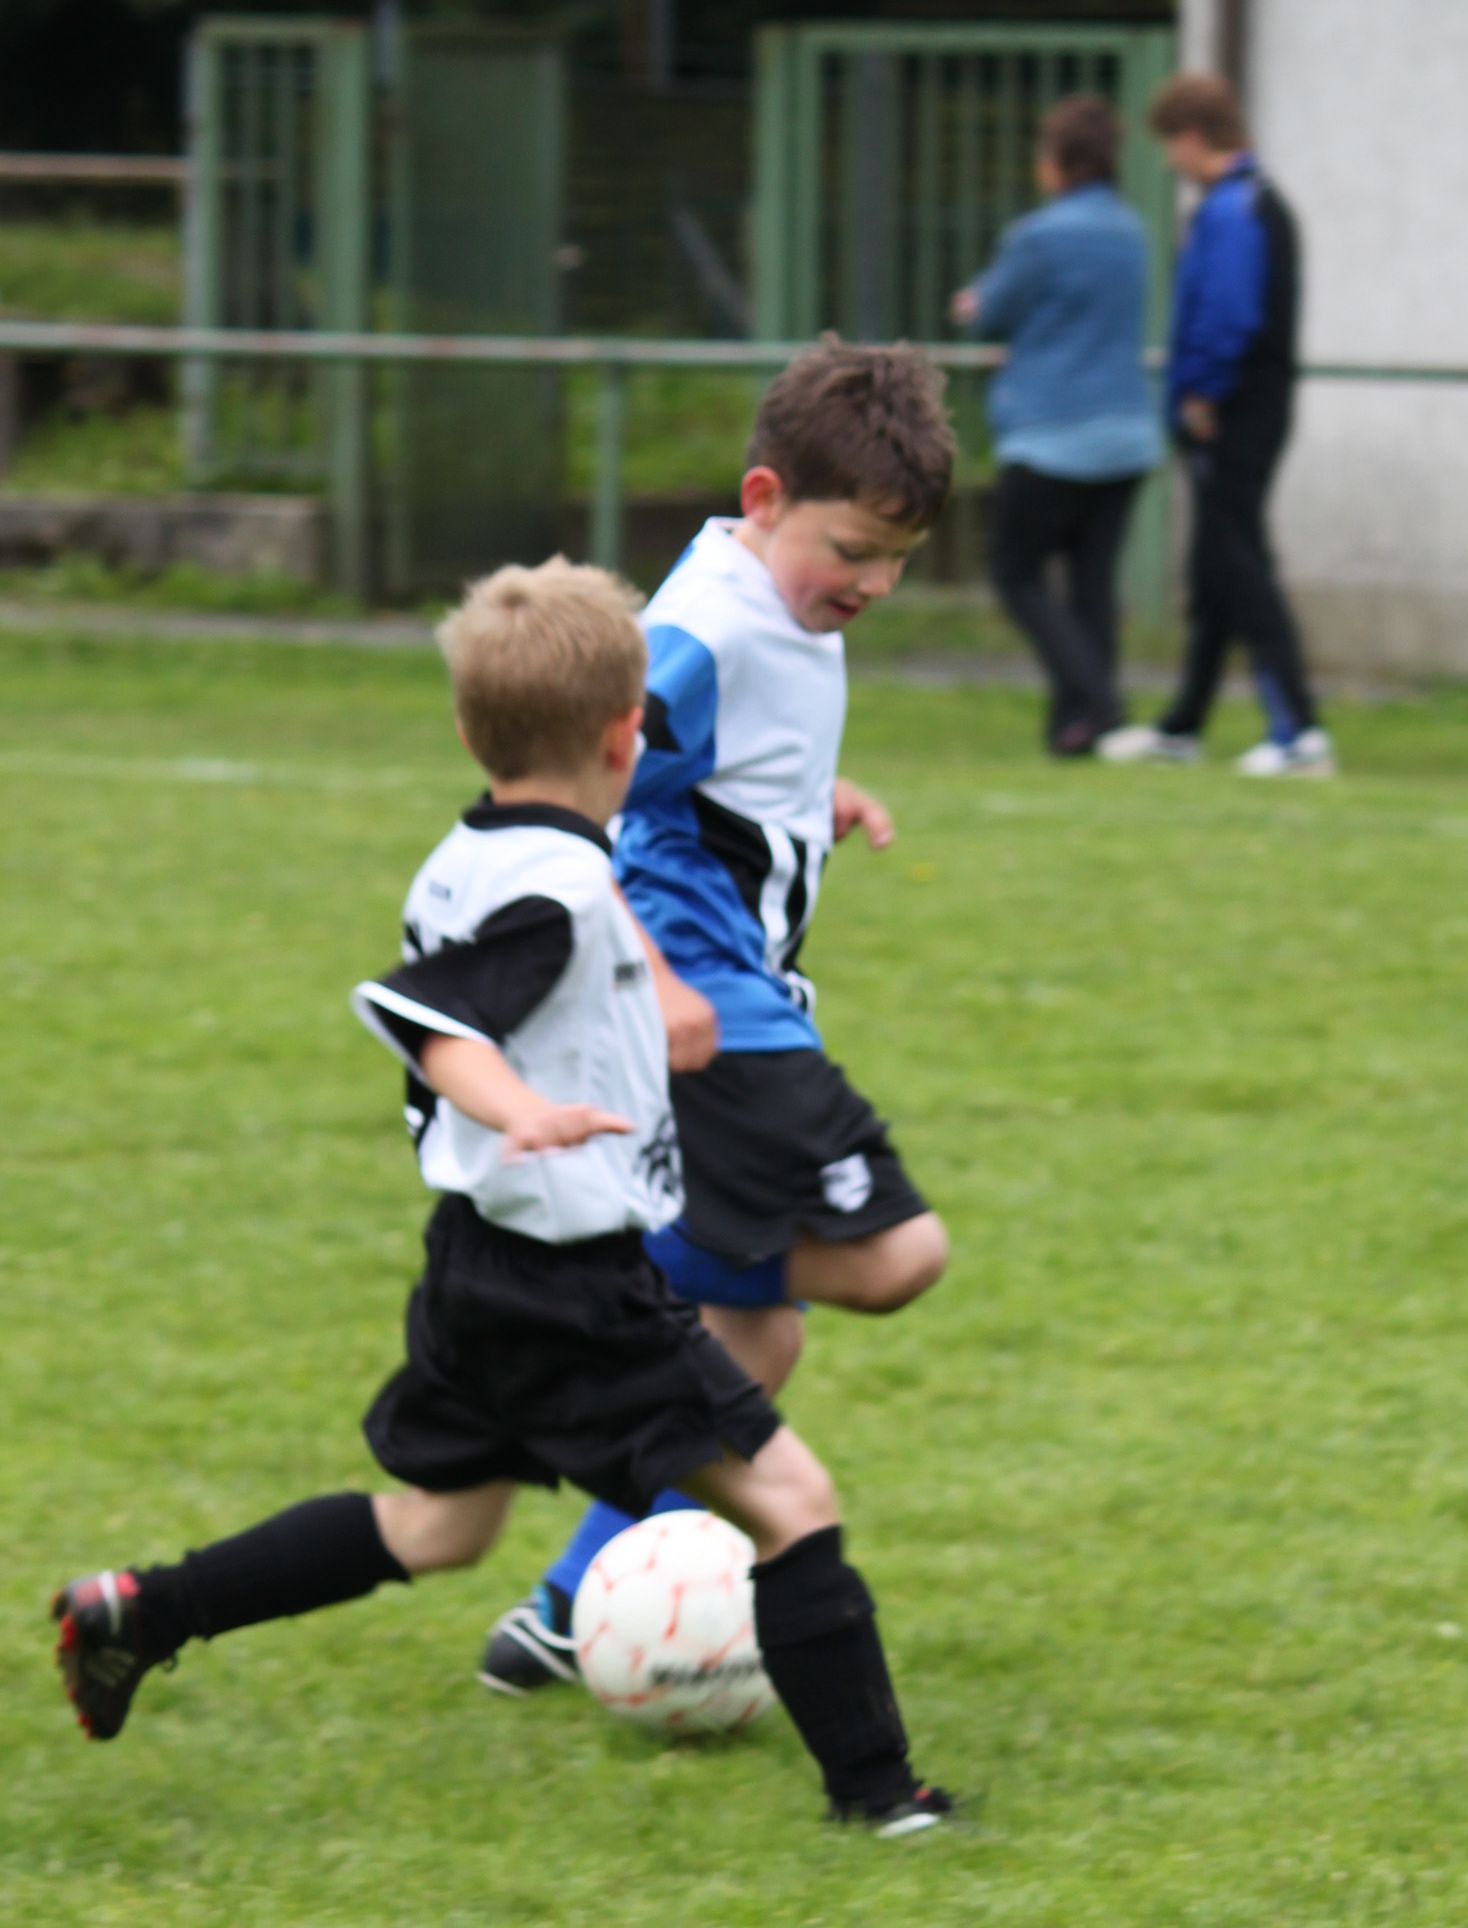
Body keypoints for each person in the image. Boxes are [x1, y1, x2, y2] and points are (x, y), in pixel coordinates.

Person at [50, 557, 954, 1836]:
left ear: (472, 731)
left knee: (436, 1526)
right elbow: (434, 1016)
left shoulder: (473, 853)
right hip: (576, 1280)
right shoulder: (562, 889)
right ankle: (879, 1798)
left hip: (476, 1260)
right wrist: (516, 1104)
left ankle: (142, 1608)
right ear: (626, 735)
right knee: (791, 1505)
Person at [478, 341, 956, 1700]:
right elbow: (571, 809)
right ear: (764, 497)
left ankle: (561, 1611)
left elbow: (708, 776)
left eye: (898, 561)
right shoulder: (703, 631)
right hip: (715, 1015)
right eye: (853, 550)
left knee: (760, 1340)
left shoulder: (772, 607)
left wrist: (807, 802)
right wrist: (664, 977)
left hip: (736, 1004)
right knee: (896, 1255)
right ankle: (611, 1290)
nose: (871, 584)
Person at [1099, 72, 1334, 777]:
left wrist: (1201, 394)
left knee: (1242, 564)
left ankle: (1299, 731)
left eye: (1170, 144)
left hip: (1231, 413)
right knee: (1215, 570)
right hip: (1250, 407)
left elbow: (1228, 314)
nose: (1169, 161)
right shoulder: (1257, 202)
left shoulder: (1232, 209)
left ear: (1194, 137)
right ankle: (1184, 726)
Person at [952, 95, 1161, 757]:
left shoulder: (1038, 237)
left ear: (1059, 161)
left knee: (1016, 574)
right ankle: (1077, 727)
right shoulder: (1131, 231)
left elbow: (991, 312)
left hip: (1051, 432)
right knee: (1092, 584)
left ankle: (1101, 705)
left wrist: (974, 303)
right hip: (1126, 431)